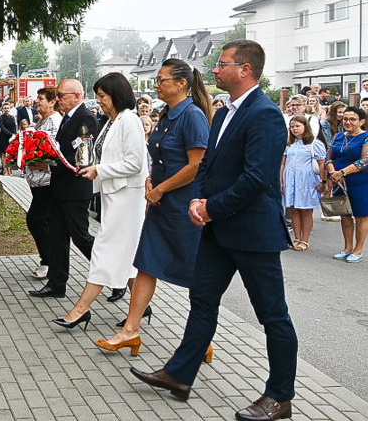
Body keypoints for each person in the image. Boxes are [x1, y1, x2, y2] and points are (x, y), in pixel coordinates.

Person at [130, 40, 298, 421]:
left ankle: (279, 396)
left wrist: (210, 207)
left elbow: (257, 178)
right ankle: (179, 375)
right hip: (218, 231)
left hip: (253, 234)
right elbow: (207, 165)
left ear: (246, 70)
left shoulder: (265, 114)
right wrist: (197, 199)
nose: (215, 71)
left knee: (272, 315)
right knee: (202, 300)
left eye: (222, 65)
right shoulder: (223, 113)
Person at [97, 59, 212, 354]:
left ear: (182, 84)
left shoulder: (193, 116)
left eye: (161, 80)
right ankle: (130, 330)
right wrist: (152, 180)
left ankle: (203, 339)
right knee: (146, 264)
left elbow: (196, 165)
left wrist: (161, 188)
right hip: (160, 203)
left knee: (195, 273)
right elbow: (160, 157)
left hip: (185, 207)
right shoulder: (168, 114)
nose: (156, 85)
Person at [52, 73, 147, 330]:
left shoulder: (129, 121)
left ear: (116, 95)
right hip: (114, 197)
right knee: (126, 258)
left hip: (127, 198)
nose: (100, 101)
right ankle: (140, 307)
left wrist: (100, 170)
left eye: (103, 96)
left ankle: (80, 310)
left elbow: (136, 163)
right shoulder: (111, 122)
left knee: (104, 251)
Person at [29, 79, 98, 298]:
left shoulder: (85, 118)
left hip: (75, 189)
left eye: (61, 96)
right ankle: (57, 283)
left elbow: (82, 157)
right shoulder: (68, 118)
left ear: (77, 96)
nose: (57, 100)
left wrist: (48, 162)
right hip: (59, 187)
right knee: (58, 237)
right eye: (56, 96)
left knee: (81, 237)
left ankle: (115, 274)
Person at [21, 87, 61, 280]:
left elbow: (55, 150)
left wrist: (41, 161)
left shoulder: (54, 121)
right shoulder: (41, 121)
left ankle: (49, 261)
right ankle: (50, 260)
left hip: (47, 180)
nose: (37, 101)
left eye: (41, 98)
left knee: (36, 219)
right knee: (42, 220)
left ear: (52, 102)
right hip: (37, 181)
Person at [325, 106, 368, 263]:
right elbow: (328, 156)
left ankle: (358, 249)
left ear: (361, 121)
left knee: (361, 215)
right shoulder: (337, 136)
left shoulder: (365, 137)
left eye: (352, 119)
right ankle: (347, 247)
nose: (348, 122)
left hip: (359, 182)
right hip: (339, 182)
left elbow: (364, 161)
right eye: (345, 119)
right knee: (345, 214)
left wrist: (342, 172)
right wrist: (332, 172)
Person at [281, 116, 326, 251]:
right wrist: (280, 181)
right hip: (291, 179)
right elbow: (282, 163)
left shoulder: (314, 143)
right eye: (292, 127)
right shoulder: (289, 144)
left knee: (306, 210)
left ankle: (305, 240)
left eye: (297, 126)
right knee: (294, 209)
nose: (294, 129)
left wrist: (322, 181)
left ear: (305, 127)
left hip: (307, 180)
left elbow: (322, 163)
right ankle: (296, 238)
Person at [0, 103, 17, 172]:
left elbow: (14, 127)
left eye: (8, 108)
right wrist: (10, 134)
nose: (7, 109)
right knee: (4, 154)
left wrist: (14, 135)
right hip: (4, 137)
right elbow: (2, 128)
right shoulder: (1, 117)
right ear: (3, 109)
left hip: (11, 138)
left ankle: (9, 169)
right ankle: (5, 169)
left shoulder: (12, 117)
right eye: (5, 108)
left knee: (10, 154)